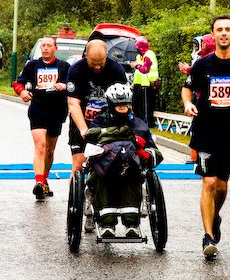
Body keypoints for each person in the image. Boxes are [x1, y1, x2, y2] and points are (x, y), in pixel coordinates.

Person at [181, 14, 230, 258]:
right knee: (208, 182)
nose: (224, 33)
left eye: (228, 29)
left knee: (222, 186)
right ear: (213, 35)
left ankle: (215, 217)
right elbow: (187, 88)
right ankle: (208, 237)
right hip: (205, 130)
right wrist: (187, 104)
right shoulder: (202, 65)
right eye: (219, 29)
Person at [85, 83, 163, 238]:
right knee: (100, 178)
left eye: (125, 104)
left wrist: (145, 153)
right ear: (110, 103)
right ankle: (107, 224)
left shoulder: (139, 125)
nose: (122, 107)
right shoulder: (100, 123)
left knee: (134, 177)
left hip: (131, 170)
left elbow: (155, 153)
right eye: (119, 105)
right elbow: (89, 146)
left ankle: (132, 224)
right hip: (104, 172)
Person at [67, 39, 127, 231]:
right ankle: (77, 206)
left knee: (108, 164)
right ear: (86, 57)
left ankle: (102, 206)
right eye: (94, 64)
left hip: (109, 125)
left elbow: (125, 102)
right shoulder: (76, 70)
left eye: (101, 63)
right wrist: (84, 130)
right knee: (79, 165)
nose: (98, 67)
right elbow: (73, 104)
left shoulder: (116, 70)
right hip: (82, 122)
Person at [12, 37, 70, 200]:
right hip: (38, 109)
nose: (45, 48)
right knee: (40, 146)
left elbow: (73, 85)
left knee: (50, 151)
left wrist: (64, 86)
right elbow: (17, 83)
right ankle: (38, 182)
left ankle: (44, 179)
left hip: (57, 111)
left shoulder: (64, 67)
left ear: (55, 48)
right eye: (43, 46)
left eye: (48, 46)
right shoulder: (32, 66)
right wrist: (22, 92)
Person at [130, 36, 160, 127]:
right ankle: (138, 123)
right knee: (136, 106)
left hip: (148, 85)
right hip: (139, 85)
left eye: (137, 47)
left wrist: (136, 65)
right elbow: (138, 73)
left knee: (146, 108)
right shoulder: (139, 56)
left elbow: (145, 69)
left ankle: (147, 125)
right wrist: (133, 83)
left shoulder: (149, 55)